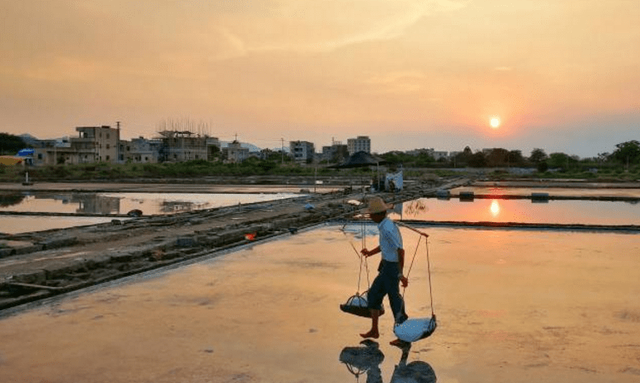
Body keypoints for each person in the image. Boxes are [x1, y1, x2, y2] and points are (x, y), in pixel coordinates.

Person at [360, 196, 409, 346]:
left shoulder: (387, 228)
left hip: (392, 268)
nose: (369, 216)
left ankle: (404, 337)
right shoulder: (384, 225)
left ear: (378, 214)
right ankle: (374, 330)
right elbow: (385, 247)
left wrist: (400, 274)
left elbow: (400, 251)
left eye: (371, 214)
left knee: (395, 300)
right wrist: (370, 253)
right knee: (374, 294)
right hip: (386, 266)